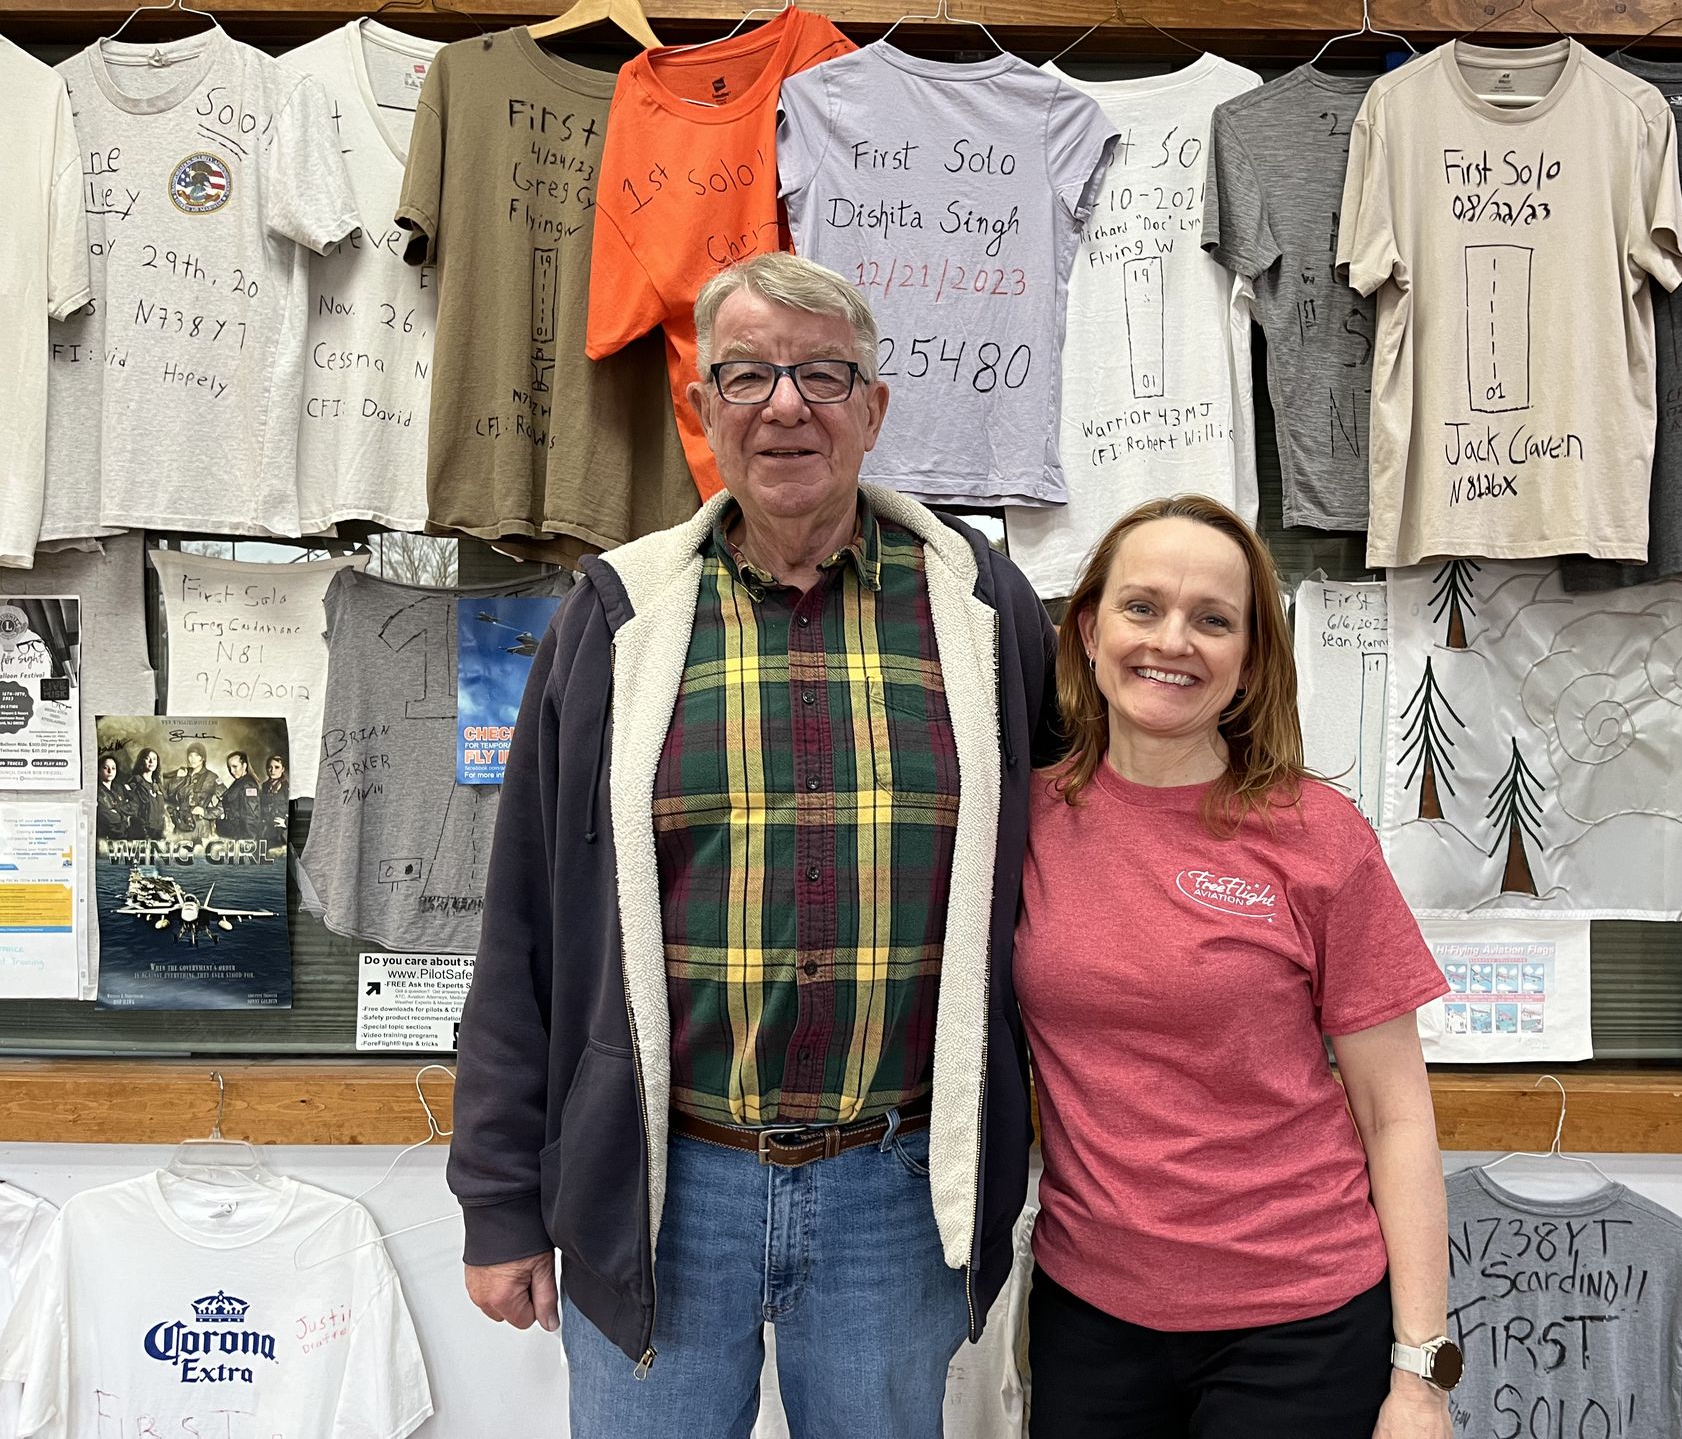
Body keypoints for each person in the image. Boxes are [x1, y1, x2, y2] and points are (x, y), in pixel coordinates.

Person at [451, 251, 1060, 1438]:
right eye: (749, 375)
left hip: (895, 1190)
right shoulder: (614, 618)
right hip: (664, 1191)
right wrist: (498, 1200)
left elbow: (1064, 877)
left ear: (875, 409)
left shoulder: (984, 611)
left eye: (825, 374)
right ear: (702, 408)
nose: (787, 404)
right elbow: (524, 919)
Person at [1015, 495, 1456, 1439]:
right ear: (1088, 629)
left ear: (1250, 662)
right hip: (1089, 1316)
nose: (1172, 640)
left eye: (1213, 620)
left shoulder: (1316, 837)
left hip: (1298, 1322)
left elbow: (1396, 1112)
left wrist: (1421, 1376)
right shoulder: (1026, 821)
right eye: (1142, 607)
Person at [164, 742, 221, 841]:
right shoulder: (183, 774)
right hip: (180, 823)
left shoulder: (212, 777)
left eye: (196, 755)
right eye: (190, 756)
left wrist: (206, 812)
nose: (192, 759)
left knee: (198, 854)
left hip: (200, 825)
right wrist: (178, 779)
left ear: (203, 758)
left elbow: (228, 801)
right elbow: (168, 796)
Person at [215, 750, 267, 842]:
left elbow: (251, 818)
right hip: (231, 835)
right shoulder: (238, 783)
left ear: (244, 766)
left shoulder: (248, 786)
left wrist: (248, 843)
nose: (231, 771)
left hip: (240, 838)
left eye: (235, 766)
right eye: (229, 767)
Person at [118, 747, 167, 841]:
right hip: (140, 835)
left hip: (158, 835)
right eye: (148, 758)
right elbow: (130, 809)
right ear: (142, 761)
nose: (151, 761)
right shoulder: (134, 783)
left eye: (154, 759)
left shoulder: (158, 786)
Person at [95, 756, 133, 842]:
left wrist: (118, 810)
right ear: (98, 770)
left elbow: (133, 806)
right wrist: (124, 817)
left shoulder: (119, 789)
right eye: (105, 768)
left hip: (124, 837)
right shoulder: (96, 791)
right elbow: (107, 816)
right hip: (105, 838)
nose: (110, 771)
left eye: (113, 768)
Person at [262, 753, 290, 848]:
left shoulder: (287, 787)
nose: (272, 770)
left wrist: (285, 822)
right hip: (266, 830)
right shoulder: (265, 786)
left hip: (281, 832)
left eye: (277, 767)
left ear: (283, 769)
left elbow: (293, 809)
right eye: (270, 767)